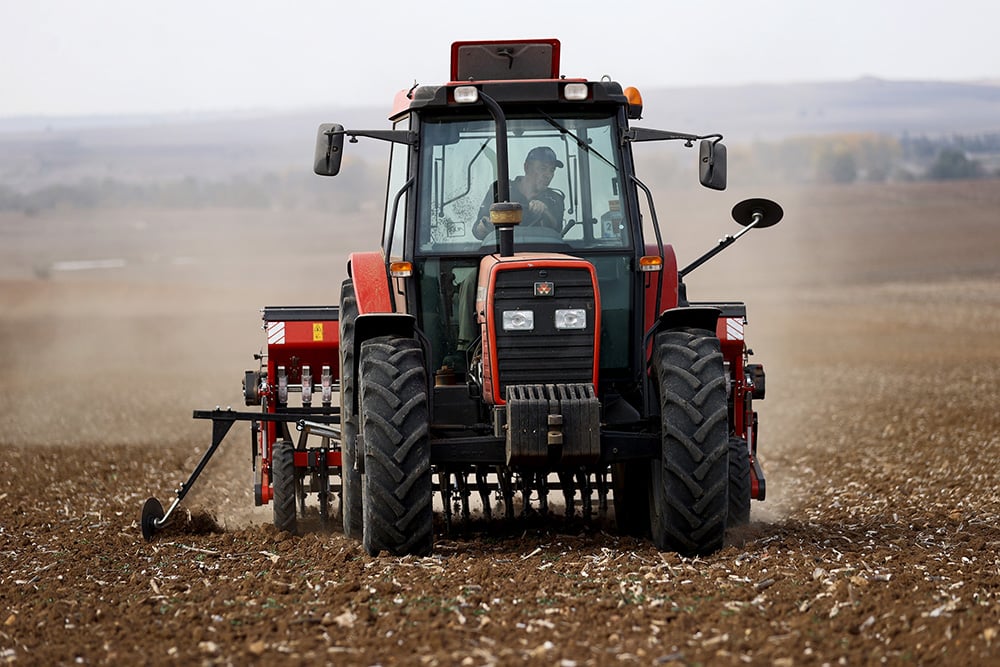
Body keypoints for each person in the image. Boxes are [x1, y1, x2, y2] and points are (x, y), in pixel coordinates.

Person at [472, 146, 566, 239]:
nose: (548, 175)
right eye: (543, 168)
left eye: (552, 170)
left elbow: (557, 230)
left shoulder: (555, 199)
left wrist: (545, 211)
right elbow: (477, 229)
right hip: (503, 252)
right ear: (527, 167)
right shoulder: (500, 190)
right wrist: (482, 228)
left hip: (543, 252)